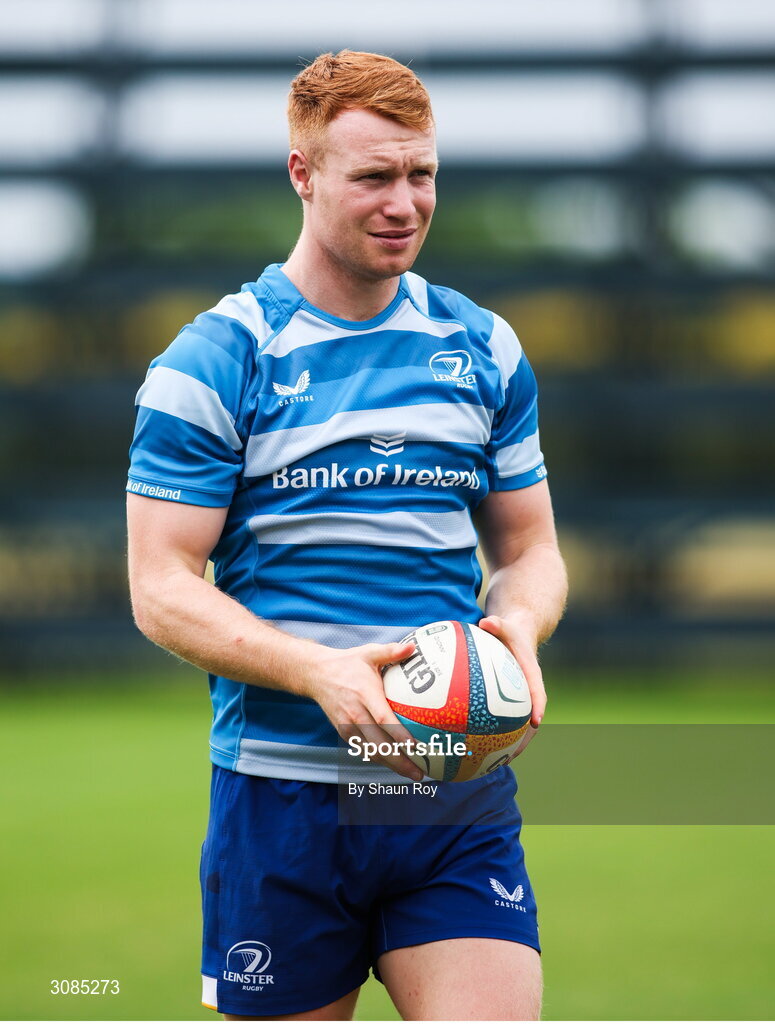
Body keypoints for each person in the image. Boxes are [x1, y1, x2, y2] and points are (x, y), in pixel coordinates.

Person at [127, 50, 567, 1022]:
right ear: (303, 173)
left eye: (421, 175)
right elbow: (160, 585)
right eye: (373, 176)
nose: (404, 202)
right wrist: (319, 671)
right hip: (280, 797)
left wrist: (519, 633)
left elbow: (529, 551)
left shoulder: (482, 348)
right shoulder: (215, 360)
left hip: (451, 790)